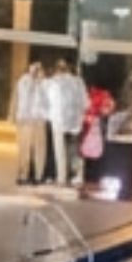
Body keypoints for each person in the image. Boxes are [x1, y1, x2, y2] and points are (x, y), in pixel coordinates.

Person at [49, 56, 88, 185]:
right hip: (75, 121)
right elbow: (86, 102)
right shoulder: (79, 82)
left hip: (59, 120)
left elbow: (50, 101)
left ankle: (62, 177)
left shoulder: (54, 82)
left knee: (60, 150)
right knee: (75, 150)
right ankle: (77, 175)